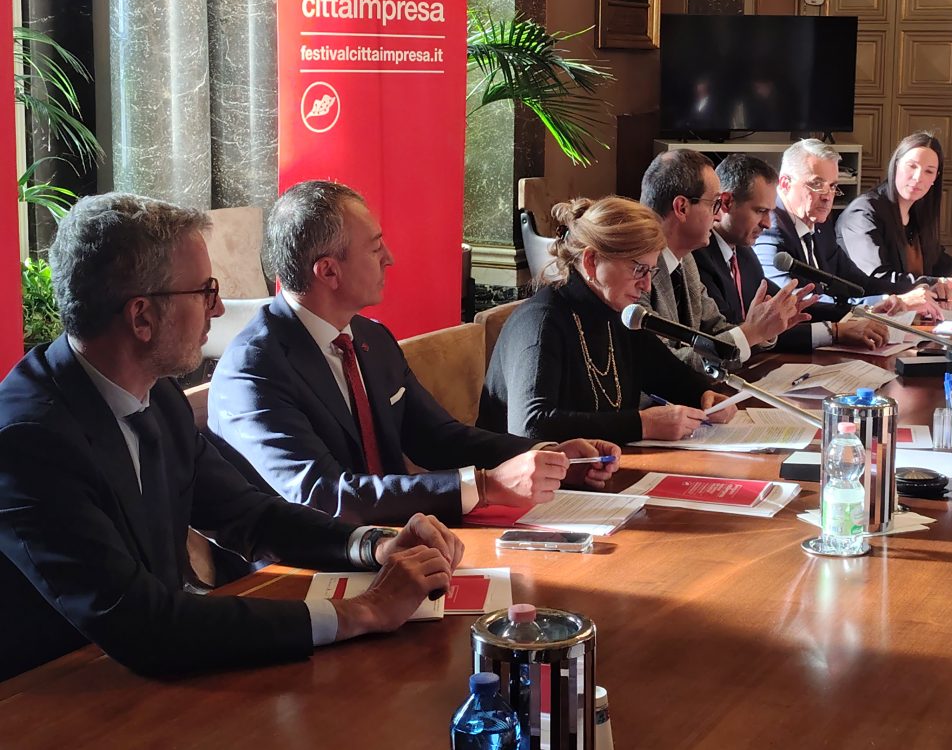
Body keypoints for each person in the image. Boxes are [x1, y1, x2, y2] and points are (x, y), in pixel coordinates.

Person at [0, 193, 466, 681]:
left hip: (149, 676)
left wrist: (374, 545)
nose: (219, 308)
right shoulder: (29, 440)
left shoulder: (157, 395)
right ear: (141, 317)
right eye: (205, 291)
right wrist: (362, 612)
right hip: (55, 694)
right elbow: (143, 622)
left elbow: (248, 514)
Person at [209, 181, 616, 529]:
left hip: (395, 541)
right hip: (299, 568)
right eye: (375, 249)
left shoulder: (370, 338)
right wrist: (485, 485)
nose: (389, 258)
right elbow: (325, 496)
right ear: (329, 271)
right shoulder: (254, 369)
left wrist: (543, 454)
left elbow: (436, 437)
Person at [480, 196, 734, 444]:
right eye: (639, 270)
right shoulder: (540, 322)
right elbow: (531, 426)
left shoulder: (619, 312)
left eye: (651, 271)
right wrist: (643, 425)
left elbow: (668, 374)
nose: (647, 286)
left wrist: (704, 395)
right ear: (591, 261)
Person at [694, 151, 891, 353]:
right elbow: (733, 333)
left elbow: (788, 307)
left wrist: (860, 312)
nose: (767, 223)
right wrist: (834, 331)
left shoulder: (744, 254)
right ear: (726, 203)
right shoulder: (698, 258)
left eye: (769, 212)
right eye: (760, 211)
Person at [638, 148, 814, 370]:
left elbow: (717, 330)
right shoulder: (634, 269)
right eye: (714, 204)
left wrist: (763, 331)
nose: (718, 215)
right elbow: (666, 365)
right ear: (682, 207)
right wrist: (752, 332)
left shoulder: (685, 261)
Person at [750, 141, 946, 322]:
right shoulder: (770, 232)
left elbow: (858, 281)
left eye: (833, 186)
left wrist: (915, 290)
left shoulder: (819, 223)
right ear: (785, 184)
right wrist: (881, 305)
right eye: (817, 184)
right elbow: (798, 302)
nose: (827, 197)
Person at [835, 132, 952, 298]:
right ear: (896, 165)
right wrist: (946, 283)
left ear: (935, 178)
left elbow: (940, 263)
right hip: (871, 310)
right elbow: (878, 278)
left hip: (915, 309)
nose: (918, 177)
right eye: (912, 166)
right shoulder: (862, 212)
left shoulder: (917, 212)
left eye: (929, 171)